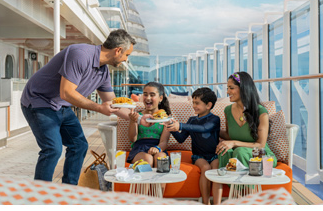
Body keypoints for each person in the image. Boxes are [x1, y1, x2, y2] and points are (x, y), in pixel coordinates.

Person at [20, 29, 151, 185]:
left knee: (79, 145)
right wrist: (99, 108)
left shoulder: (103, 72)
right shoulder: (80, 54)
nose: (126, 60)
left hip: (61, 106)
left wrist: (141, 119)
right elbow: (66, 93)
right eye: (127, 55)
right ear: (118, 50)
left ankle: (69, 190)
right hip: (39, 101)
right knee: (53, 149)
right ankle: (40, 196)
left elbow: (114, 103)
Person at [213, 71, 277, 204]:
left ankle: (248, 200)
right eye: (227, 88)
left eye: (231, 88)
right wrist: (211, 128)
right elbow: (230, 135)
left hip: (261, 155)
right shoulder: (228, 110)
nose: (227, 92)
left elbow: (260, 144)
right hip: (239, 154)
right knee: (225, 151)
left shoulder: (261, 112)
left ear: (243, 89)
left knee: (238, 151)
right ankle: (236, 198)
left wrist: (234, 143)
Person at [165, 87, 220, 205]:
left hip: (214, 155)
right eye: (193, 102)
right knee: (205, 167)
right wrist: (171, 127)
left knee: (216, 169)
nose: (194, 105)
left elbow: (204, 128)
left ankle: (217, 204)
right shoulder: (191, 120)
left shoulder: (214, 119)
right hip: (198, 156)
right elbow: (181, 139)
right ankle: (206, 203)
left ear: (208, 105)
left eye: (197, 103)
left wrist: (180, 125)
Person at [127, 82, 171, 167]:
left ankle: (161, 180)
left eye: (152, 95)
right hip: (139, 149)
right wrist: (133, 121)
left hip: (159, 147)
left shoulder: (166, 118)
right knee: (148, 159)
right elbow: (132, 139)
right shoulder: (137, 116)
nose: (148, 98)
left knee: (161, 158)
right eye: (145, 94)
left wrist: (157, 148)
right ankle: (147, 180)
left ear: (160, 98)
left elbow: (164, 142)